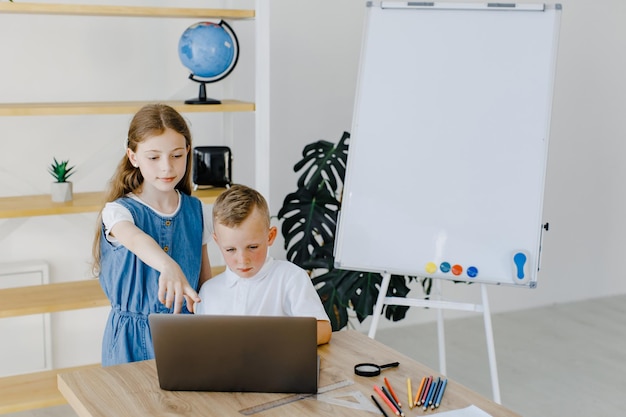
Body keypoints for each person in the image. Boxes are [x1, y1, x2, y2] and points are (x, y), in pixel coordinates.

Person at [92, 103, 213, 366]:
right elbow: (135, 239)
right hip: (129, 341)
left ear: (188, 153)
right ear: (133, 157)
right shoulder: (117, 212)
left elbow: (205, 282)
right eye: (154, 157)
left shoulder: (196, 210)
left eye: (177, 155)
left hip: (186, 336)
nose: (167, 168)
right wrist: (168, 265)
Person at [195, 184, 332, 345]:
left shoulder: (290, 278)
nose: (242, 259)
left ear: (270, 236)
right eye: (230, 249)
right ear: (218, 242)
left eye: (252, 247)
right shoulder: (209, 291)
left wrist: (273, 339)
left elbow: (323, 330)